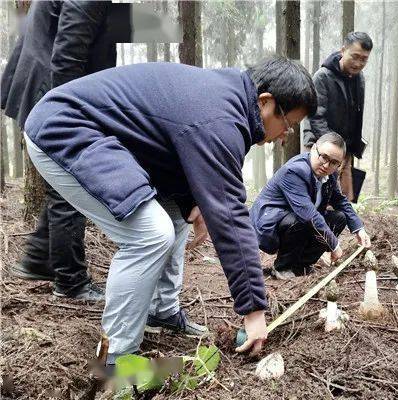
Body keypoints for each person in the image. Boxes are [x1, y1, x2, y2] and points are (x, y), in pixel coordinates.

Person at [22, 56, 317, 363]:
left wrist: (194, 201)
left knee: (176, 216)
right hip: (65, 127)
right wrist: (254, 309)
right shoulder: (220, 118)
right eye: (289, 123)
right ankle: (117, 360)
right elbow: (230, 216)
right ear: (265, 102)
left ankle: (160, 311)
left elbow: (173, 147)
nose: (287, 135)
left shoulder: (224, 103)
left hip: (106, 138)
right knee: (150, 234)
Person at [1, 0, 131, 300]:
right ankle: (70, 282)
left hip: (44, 84)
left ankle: (38, 258)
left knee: (62, 177)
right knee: (71, 181)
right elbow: (68, 54)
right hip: (54, 90)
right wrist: (67, 113)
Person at [250, 133, 371, 279]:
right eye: (324, 157)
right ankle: (283, 267)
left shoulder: (330, 174)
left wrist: (359, 229)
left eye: (333, 162)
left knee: (339, 218)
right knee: (303, 219)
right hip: (270, 225)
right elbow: (307, 214)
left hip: (296, 220)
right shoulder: (294, 171)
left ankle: (301, 266)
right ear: (313, 149)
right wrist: (334, 245)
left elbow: (340, 200)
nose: (326, 165)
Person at [303, 32, 372, 202]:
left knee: (344, 197)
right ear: (343, 50)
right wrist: (332, 150)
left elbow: (357, 114)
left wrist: (350, 147)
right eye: (355, 56)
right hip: (319, 146)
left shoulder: (359, 78)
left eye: (364, 59)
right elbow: (316, 117)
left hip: (345, 148)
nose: (358, 63)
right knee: (314, 193)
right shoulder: (322, 77)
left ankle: (340, 227)